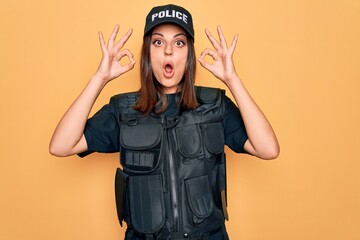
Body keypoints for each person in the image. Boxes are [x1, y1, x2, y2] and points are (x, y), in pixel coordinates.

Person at [49, 4, 279, 240]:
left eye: (179, 43)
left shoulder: (214, 105)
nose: (168, 51)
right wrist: (99, 78)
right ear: (148, 52)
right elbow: (61, 145)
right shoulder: (124, 110)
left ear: (188, 53)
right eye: (158, 42)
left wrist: (233, 80)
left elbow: (267, 149)